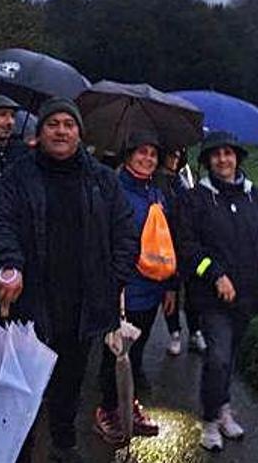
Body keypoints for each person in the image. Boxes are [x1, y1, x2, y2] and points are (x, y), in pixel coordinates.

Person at [0, 97, 137, 462]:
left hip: (82, 303)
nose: (61, 130)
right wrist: (9, 263)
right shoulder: (19, 175)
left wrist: (114, 277)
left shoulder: (101, 179)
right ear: (39, 133)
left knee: (69, 381)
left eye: (68, 125)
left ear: (79, 134)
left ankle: (64, 444)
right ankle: (19, 448)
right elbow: (0, 224)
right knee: (25, 385)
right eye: (53, 124)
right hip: (32, 298)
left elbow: (126, 230)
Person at [174, 130, 258, 452]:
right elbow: (187, 248)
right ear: (208, 161)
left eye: (228, 153)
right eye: (216, 155)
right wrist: (215, 274)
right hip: (212, 300)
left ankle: (223, 408)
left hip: (249, 297)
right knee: (218, 359)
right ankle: (210, 421)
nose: (223, 160)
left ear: (237, 158)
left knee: (229, 358)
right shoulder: (195, 199)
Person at [94, 130, 175, 445]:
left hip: (150, 289)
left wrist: (169, 286)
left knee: (137, 351)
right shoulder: (113, 190)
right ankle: (106, 409)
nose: (148, 159)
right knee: (113, 351)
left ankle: (127, 404)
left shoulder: (156, 194)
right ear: (128, 156)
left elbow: (165, 243)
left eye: (153, 154)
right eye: (141, 153)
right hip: (122, 288)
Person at [153, 147, 207, 356]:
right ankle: (174, 332)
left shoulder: (181, 179)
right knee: (170, 291)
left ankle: (195, 331)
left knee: (193, 290)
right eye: (170, 154)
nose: (174, 159)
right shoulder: (157, 180)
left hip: (186, 244)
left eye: (178, 156)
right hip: (166, 244)